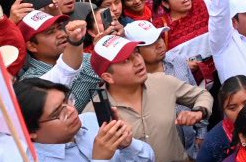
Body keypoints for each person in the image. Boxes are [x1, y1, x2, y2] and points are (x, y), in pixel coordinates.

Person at [87, 34, 214, 162]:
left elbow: (201, 94)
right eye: (126, 60)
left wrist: (199, 111)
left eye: (136, 53)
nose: (138, 62)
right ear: (108, 77)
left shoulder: (162, 81)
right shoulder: (92, 115)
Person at [13, 78, 156, 162]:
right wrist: (100, 159)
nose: (71, 110)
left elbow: (149, 158)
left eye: (67, 101)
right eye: (59, 112)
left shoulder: (91, 121)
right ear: (29, 131)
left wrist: (128, 146)